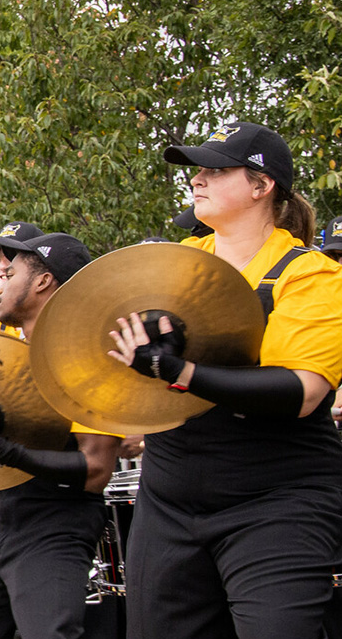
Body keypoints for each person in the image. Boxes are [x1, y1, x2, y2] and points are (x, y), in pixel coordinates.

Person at [108, 122, 342, 638]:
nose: (198, 180)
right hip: (168, 500)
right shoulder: (171, 268)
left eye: (216, 169)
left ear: (262, 186)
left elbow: (301, 393)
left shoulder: (311, 274)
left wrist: (179, 371)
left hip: (276, 500)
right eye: (197, 171)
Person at [0, 232, 123, 639]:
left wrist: (2, 449)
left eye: (9, 273)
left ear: (42, 281)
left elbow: (97, 469)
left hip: (56, 521)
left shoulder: (86, 357)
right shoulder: (9, 349)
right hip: (1, 517)